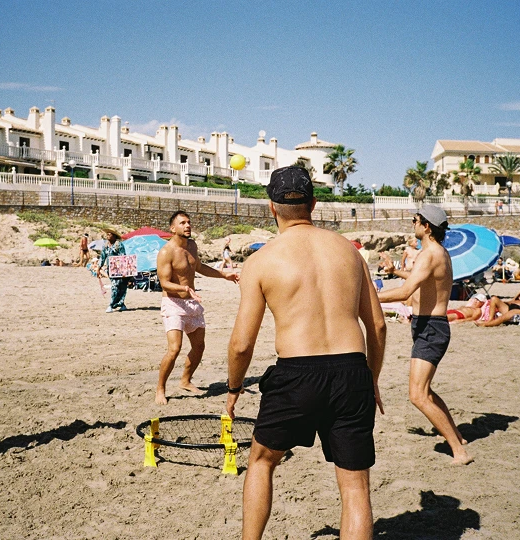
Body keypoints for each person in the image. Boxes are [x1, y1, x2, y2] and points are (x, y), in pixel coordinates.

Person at [225, 166, 386, 539]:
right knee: (355, 487)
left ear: (271, 208)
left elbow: (241, 343)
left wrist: (234, 388)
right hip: (351, 370)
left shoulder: (262, 260)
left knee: (262, 462)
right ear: (314, 203)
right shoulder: (349, 252)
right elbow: (376, 326)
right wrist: (371, 379)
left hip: (297, 373)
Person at [377, 205, 473, 465]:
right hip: (428, 326)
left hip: (431, 328)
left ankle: (459, 451)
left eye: (415, 220)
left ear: (427, 226)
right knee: (425, 390)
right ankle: (458, 436)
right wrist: (396, 272)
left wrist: (369, 297)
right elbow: (424, 280)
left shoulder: (429, 254)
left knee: (417, 394)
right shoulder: (435, 252)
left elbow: (406, 292)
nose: (413, 224)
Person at [155, 211, 239, 405]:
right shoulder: (166, 252)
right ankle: (160, 388)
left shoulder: (192, 246)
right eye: (182, 223)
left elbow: (199, 267)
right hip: (173, 303)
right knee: (174, 349)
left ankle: (185, 380)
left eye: (189, 222)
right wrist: (183, 288)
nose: (187, 225)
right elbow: (164, 283)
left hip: (192, 302)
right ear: (172, 228)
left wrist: (224, 275)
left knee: (199, 347)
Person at [98, 229, 128, 313]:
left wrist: (124, 270)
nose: (107, 236)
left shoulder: (119, 245)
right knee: (115, 285)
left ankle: (114, 304)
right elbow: (102, 257)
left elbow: (123, 257)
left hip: (119, 269)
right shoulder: (106, 246)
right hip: (110, 270)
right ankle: (118, 304)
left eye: (109, 234)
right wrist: (99, 268)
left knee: (121, 286)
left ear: (114, 236)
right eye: (107, 234)